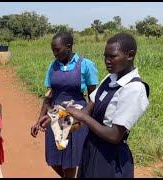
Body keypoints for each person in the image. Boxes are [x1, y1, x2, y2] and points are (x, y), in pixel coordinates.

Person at [64, 32, 150, 178]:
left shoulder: (134, 89)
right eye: (105, 56)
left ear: (130, 55)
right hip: (91, 148)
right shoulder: (110, 78)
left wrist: (83, 119)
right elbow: (89, 108)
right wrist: (59, 117)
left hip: (109, 157)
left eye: (113, 56)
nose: (107, 61)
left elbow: (115, 135)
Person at [30, 32, 99, 178]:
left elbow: (94, 98)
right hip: (54, 116)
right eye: (53, 50)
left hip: (75, 117)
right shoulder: (52, 66)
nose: (55, 53)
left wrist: (83, 118)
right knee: (53, 159)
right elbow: (48, 96)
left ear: (69, 46)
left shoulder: (85, 65)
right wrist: (39, 120)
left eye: (58, 49)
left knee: (70, 161)